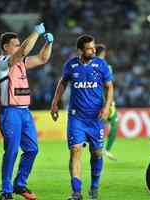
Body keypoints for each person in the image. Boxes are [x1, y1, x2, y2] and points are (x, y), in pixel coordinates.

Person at [0, 23, 53, 200]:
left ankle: (19, 184)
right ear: (6, 47)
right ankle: (5, 190)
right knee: (11, 151)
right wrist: (36, 32)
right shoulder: (1, 63)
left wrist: (48, 44)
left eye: (19, 44)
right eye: (16, 44)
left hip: (25, 112)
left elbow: (42, 59)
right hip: (10, 112)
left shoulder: (21, 63)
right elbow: (24, 51)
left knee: (32, 149)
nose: (19, 47)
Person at [51, 34, 114, 200]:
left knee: (97, 153)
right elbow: (63, 82)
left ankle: (94, 186)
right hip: (76, 117)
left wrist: (106, 106)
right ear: (80, 50)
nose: (94, 50)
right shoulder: (71, 65)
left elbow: (109, 87)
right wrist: (55, 102)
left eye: (94, 47)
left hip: (95, 118)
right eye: (89, 48)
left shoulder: (101, 65)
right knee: (75, 150)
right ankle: (76, 192)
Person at [95, 44, 118, 161]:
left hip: (97, 99)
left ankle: (100, 148)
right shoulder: (105, 66)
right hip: (104, 100)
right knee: (113, 123)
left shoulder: (89, 65)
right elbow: (108, 85)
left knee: (103, 123)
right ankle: (104, 149)